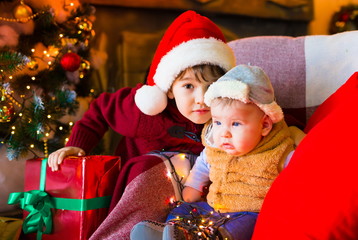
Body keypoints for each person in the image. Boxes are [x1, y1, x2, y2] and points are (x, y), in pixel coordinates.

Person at [47, 10, 236, 239]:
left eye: (210, 86)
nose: (201, 98)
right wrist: (78, 145)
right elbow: (100, 110)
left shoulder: (227, 113)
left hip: (192, 201)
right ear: (168, 88)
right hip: (143, 193)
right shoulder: (142, 111)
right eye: (189, 86)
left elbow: (267, 118)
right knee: (150, 168)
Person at [130, 64, 297, 240]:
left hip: (250, 212)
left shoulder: (277, 153)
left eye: (236, 124)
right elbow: (203, 165)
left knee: (247, 225)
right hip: (214, 207)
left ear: (264, 125)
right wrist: (193, 185)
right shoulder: (216, 148)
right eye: (217, 123)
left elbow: (298, 179)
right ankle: (170, 231)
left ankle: (205, 237)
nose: (224, 133)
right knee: (184, 209)